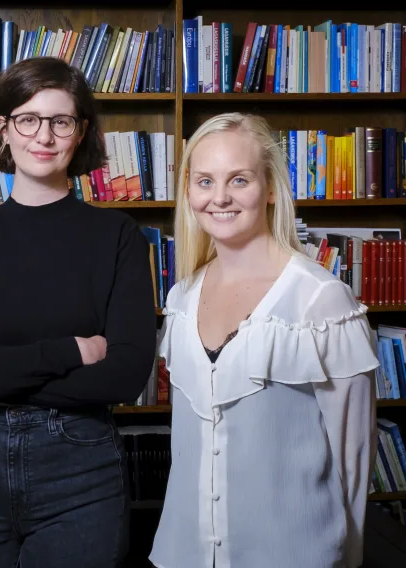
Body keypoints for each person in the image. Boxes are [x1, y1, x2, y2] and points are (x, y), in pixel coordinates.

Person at [0, 56, 157, 568]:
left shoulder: (117, 237)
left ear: (81, 133)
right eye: (27, 119)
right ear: (3, 130)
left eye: (61, 121)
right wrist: (71, 350)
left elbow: (124, 375)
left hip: (82, 470)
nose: (44, 136)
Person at [149, 112, 379, 568]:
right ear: (188, 191)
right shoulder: (180, 297)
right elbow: (185, 447)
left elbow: (353, 454)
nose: (219, 198)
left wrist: (348, 559)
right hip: (181, 554)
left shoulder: (322, 301)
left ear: (271, 188)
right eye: (204, 181)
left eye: (239, 180)